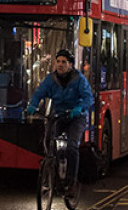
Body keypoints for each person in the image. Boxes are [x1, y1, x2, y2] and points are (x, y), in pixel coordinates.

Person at [25, 50, 94, 190]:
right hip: (59, 115)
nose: (60, 65)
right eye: (58, 61)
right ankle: (54, 173)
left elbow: (88, 98)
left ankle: (71, 181)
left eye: (64, 62)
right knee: (49, 142)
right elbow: (39, 93)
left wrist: (79, 108)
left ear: (70, 65)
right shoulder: (51, 79)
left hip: (76, 117)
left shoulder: (79, 79)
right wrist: (32, 105)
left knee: (72, 146)